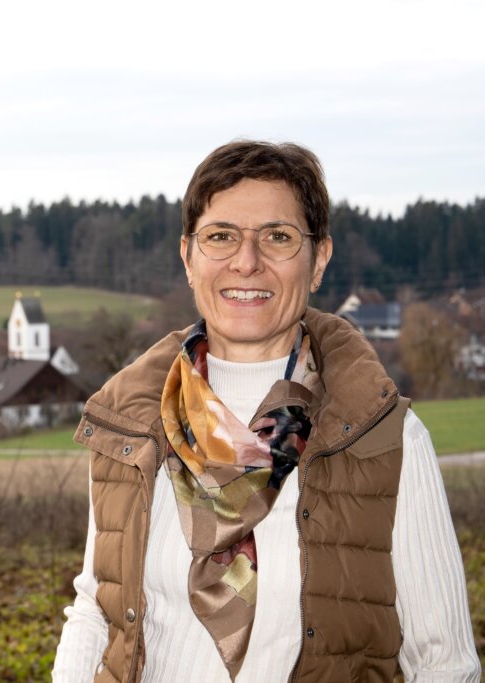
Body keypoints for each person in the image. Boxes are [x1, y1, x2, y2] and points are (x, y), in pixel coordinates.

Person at [53, 141, 480, 682]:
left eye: (278, 237)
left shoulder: (385, 439)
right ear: (188, 258)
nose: (247, 261)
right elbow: (96, 608)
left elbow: (444, 664)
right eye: (221, 236)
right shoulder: (128, 428)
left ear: (318, 259)